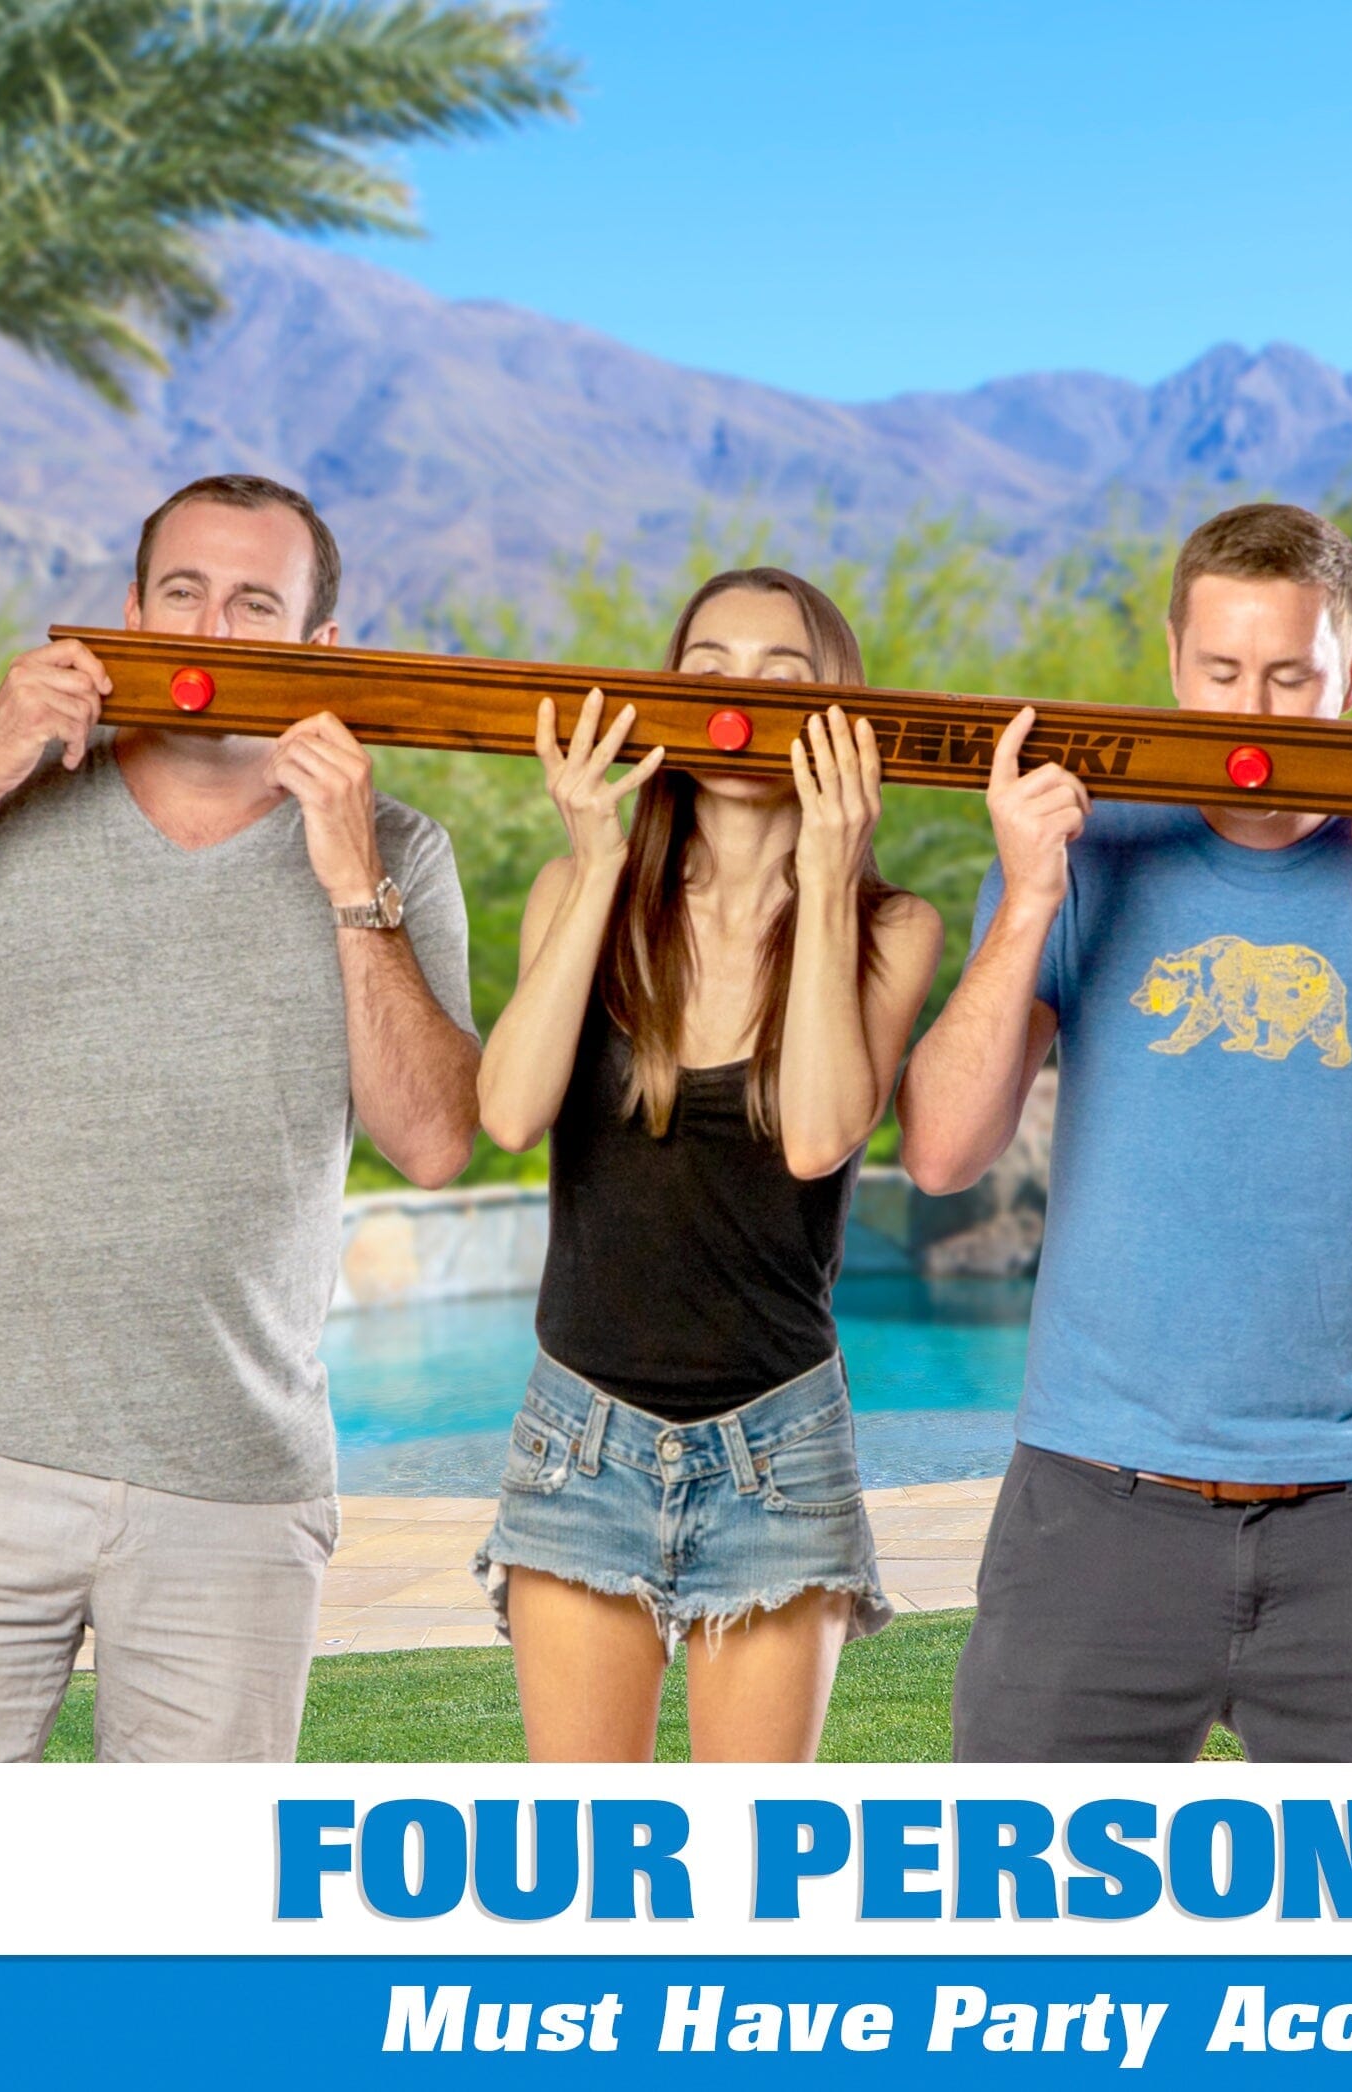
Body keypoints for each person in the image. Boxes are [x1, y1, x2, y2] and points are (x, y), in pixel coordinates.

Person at [898, 503, 1352, 1762]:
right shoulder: (1082, 854)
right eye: (1223, 672)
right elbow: (939, 1153)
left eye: (1292, 676)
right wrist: (1027, 897)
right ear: (1174, 663)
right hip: (1090, 1505)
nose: (1253, 710)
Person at [0, 472, 480, 1762]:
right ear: (130, 609)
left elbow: (432, 1143)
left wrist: (349, 878)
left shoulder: (398, 851)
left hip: (235, 1498)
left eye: (253, 605)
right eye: (183, 593)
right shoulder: (6, 795)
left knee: (181, 1927)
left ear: (318, 652)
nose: (210, 632)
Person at [474, 567, 942, 1763]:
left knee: (755, 1871)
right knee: (580, 1870)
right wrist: (591, 861)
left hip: (778, 1451)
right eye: (707, 673)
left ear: (837, 713)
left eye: (782, 678)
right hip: (580, 1436)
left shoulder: (891, 929)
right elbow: (510, 1110)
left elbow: (821, 1133)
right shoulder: (577, 895)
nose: (740, 700)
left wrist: (828, 878)